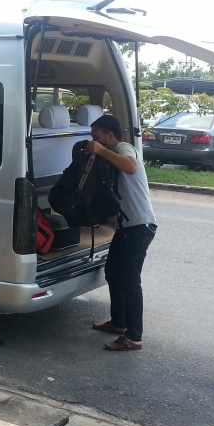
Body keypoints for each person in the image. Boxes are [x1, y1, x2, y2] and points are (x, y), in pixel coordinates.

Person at [84, 115, 158, 351]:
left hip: (139, 226)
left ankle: (133, 337)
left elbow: (131, 166)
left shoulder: (124, 148)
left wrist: (101, 150)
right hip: (125, 227)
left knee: (130, 281)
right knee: (113, 272)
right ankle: (118, 323)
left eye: (97, 137)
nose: (94, 141)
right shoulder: (110, 155)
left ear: (109, 135)